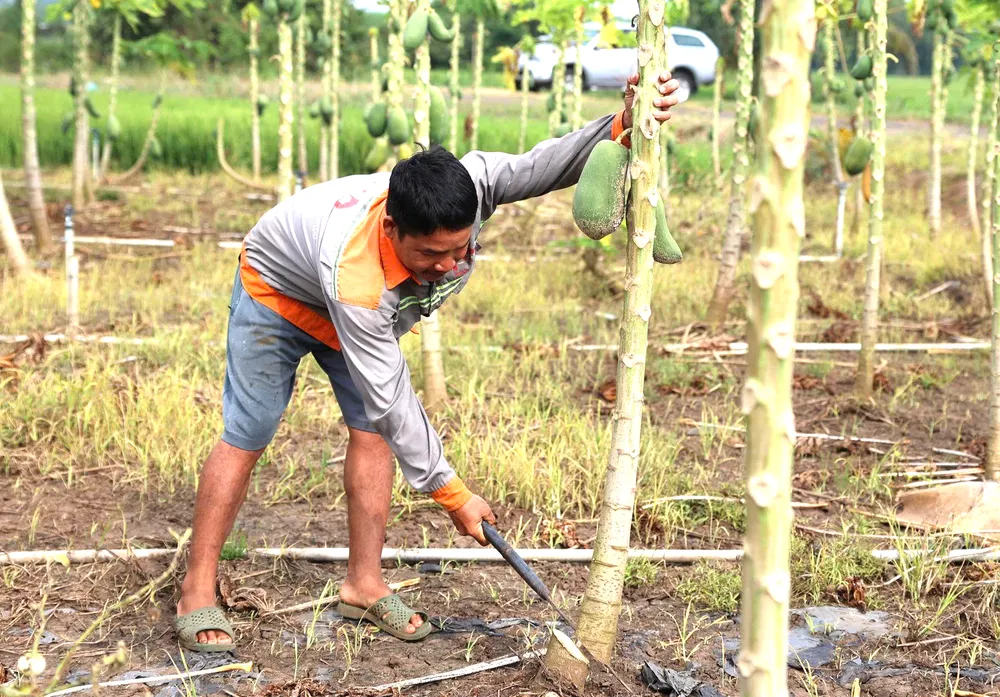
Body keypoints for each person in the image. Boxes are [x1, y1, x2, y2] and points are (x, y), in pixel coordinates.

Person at [174, 70, 681, 651]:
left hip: (346, 295)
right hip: (278, 292)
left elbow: (549, 163)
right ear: (391, 228)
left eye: (460, 249)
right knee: (250, 430)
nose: (448, 264)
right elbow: (393, 401)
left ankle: (363, 585)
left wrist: (623, 123)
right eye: (431, 254)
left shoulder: (476, 183)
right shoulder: (360, 285)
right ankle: (197, 587)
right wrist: (453, 493)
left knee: (371, 435)